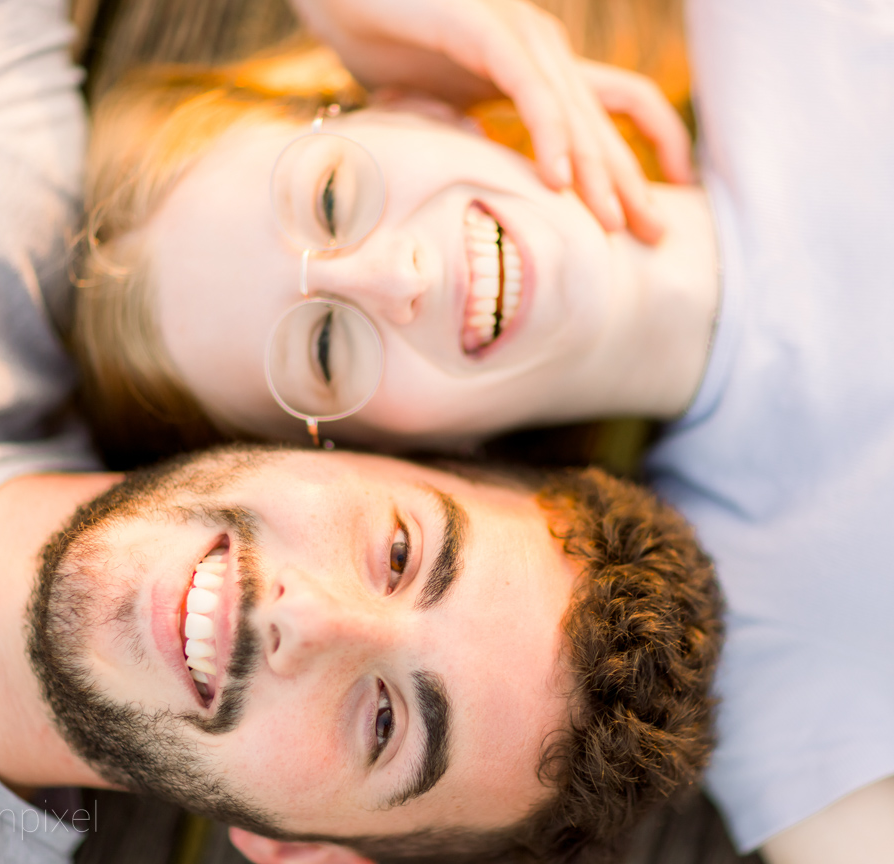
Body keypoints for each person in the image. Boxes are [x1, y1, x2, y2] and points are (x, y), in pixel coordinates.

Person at [0, 1, 721, 863]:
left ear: (303, 851)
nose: (304, 615)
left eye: (383, 725)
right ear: (357, 450)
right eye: (398, 552)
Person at [73, 0, 894, 861]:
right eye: (324, 347)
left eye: (330, 195)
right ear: (387, 464)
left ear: (405, 106)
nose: (394, 276)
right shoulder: (766, 634)